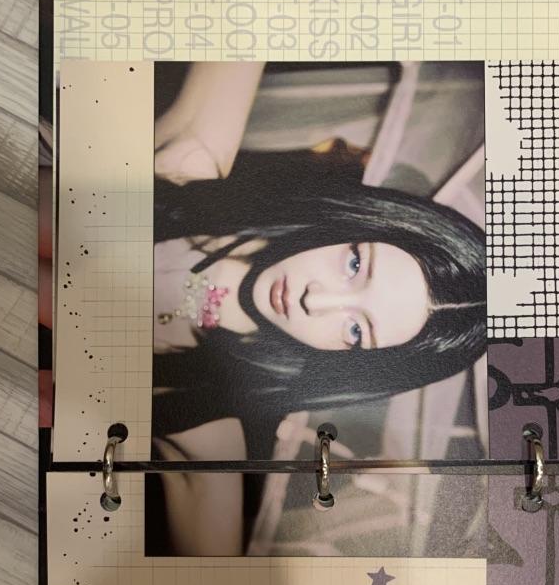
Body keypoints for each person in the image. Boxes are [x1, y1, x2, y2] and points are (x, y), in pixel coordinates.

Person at [149, 64, 486, 556]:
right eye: (354, 264)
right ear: (358, 223)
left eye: (355, 331)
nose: (316, 300)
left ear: (352, 363)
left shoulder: (203, 417)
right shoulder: (191, 159)